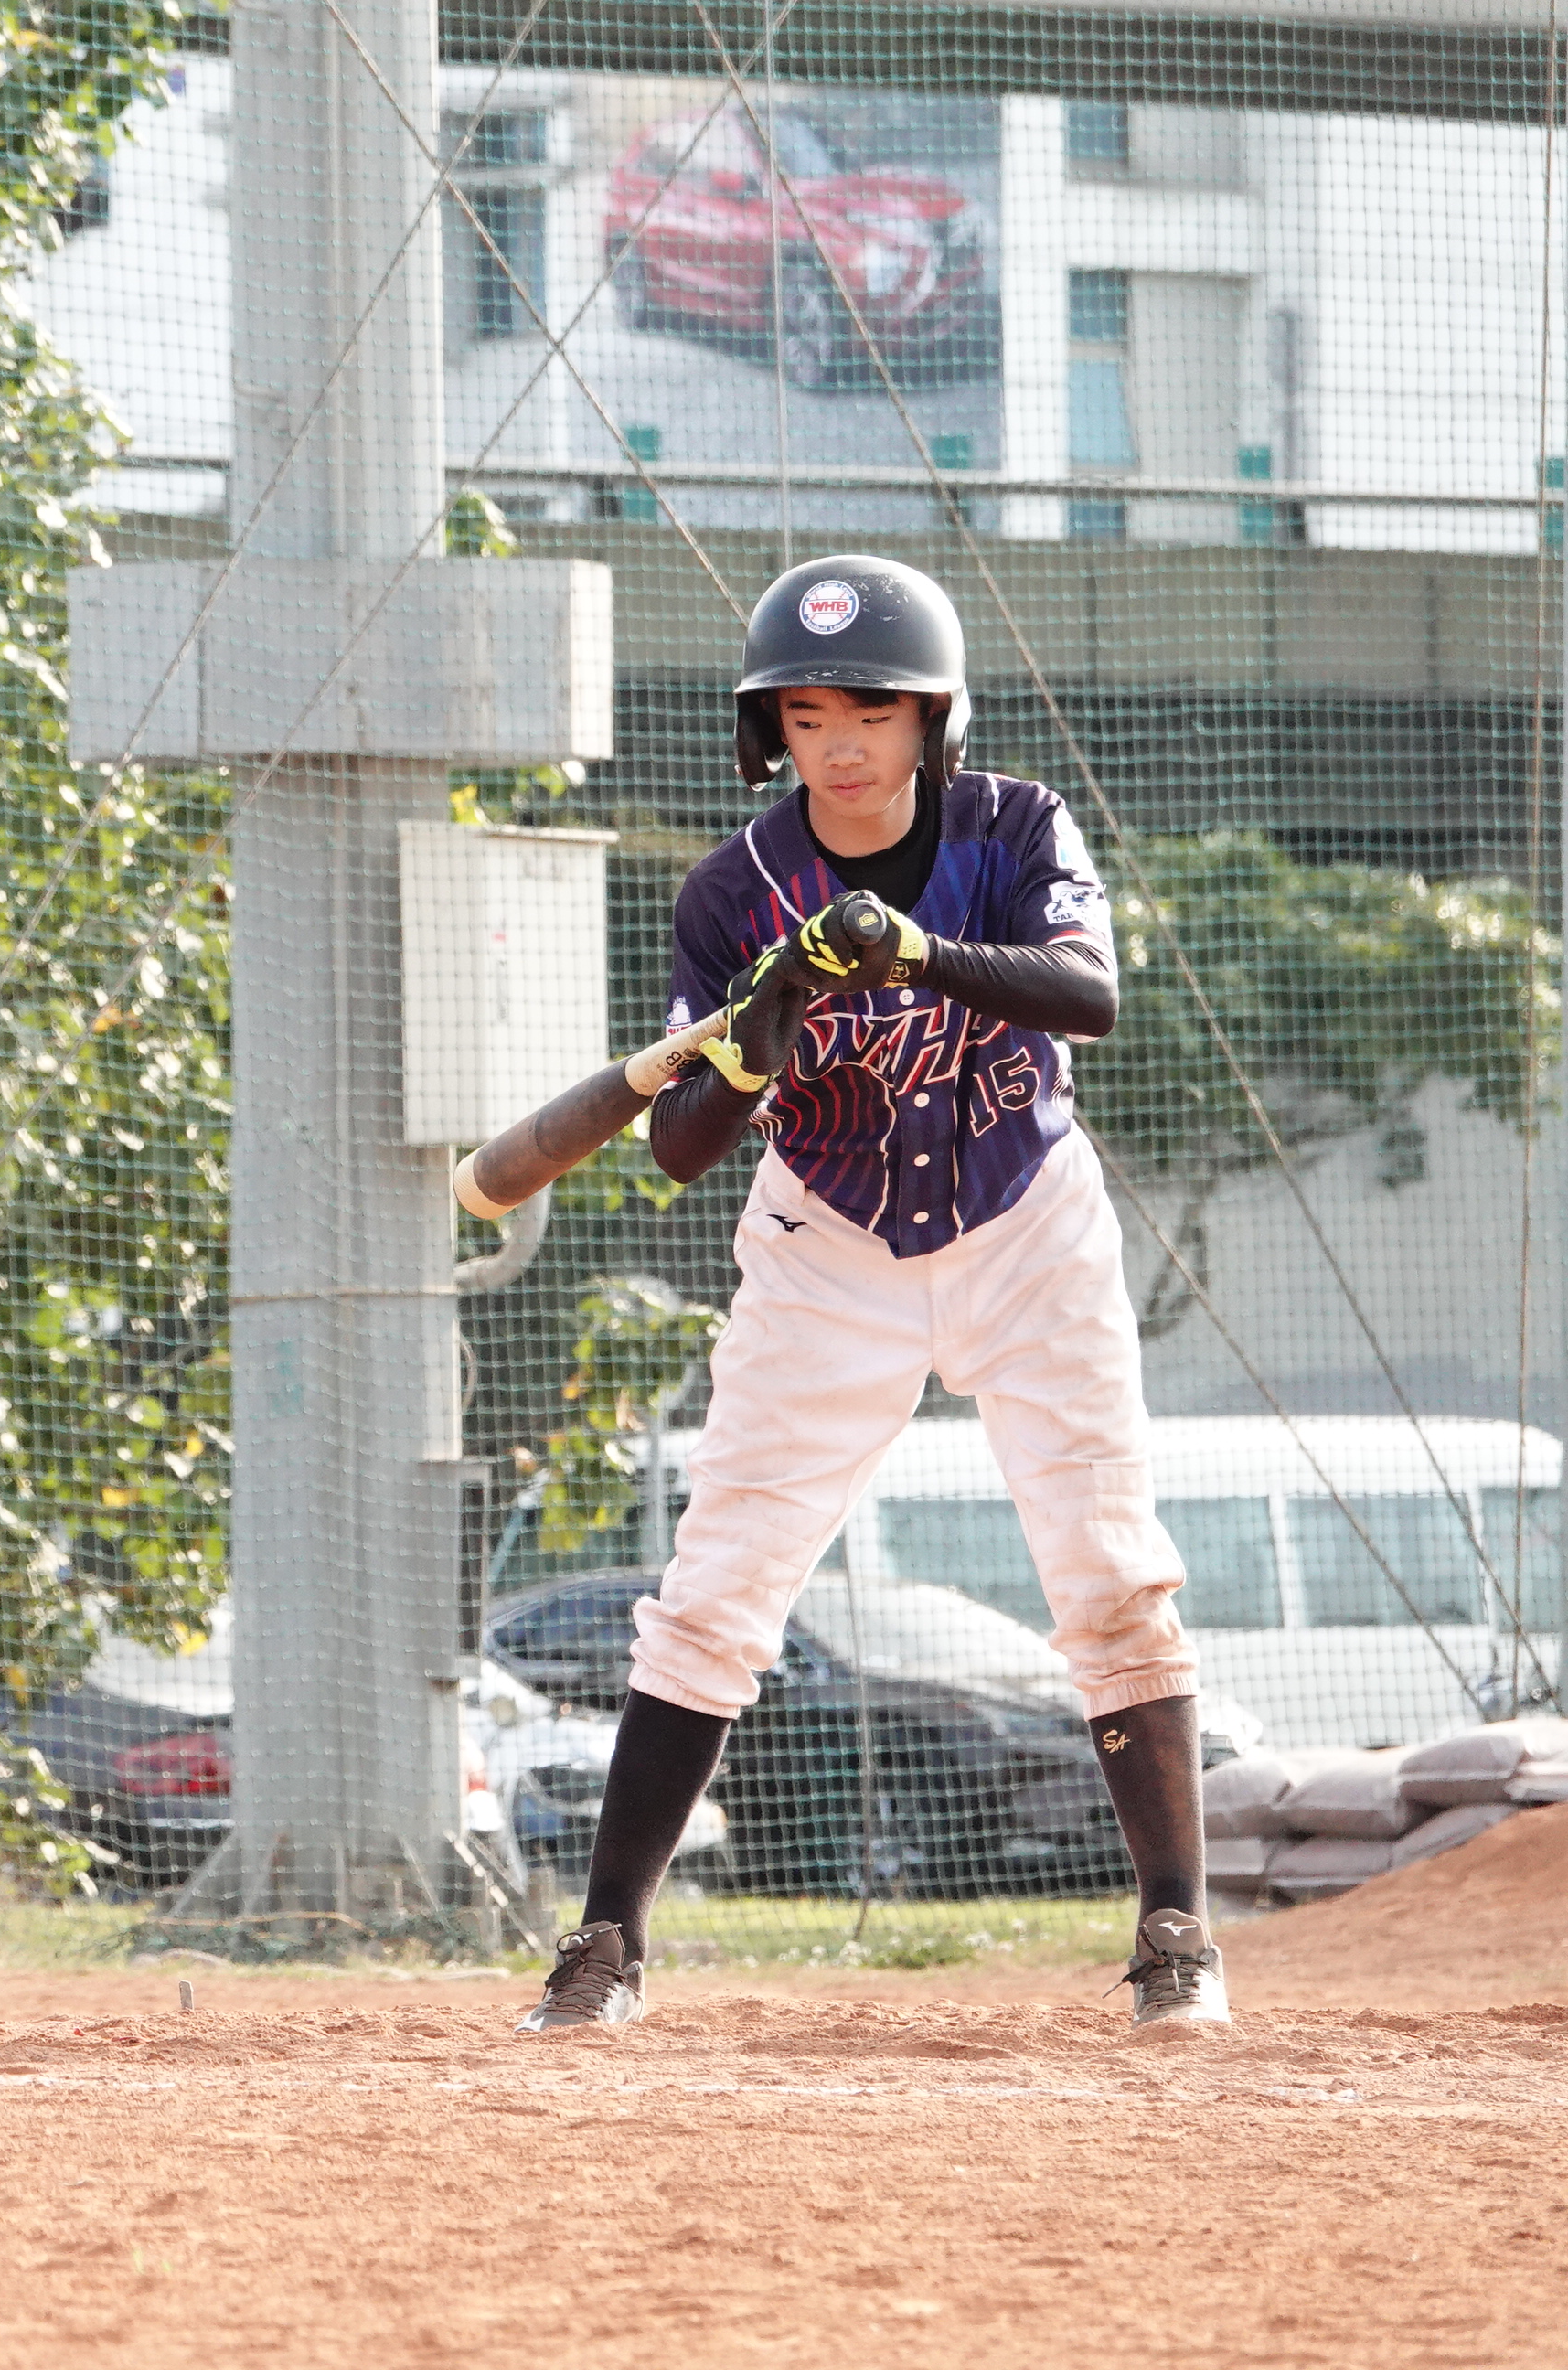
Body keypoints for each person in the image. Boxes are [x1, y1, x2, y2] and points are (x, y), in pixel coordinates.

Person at [519, 555, 1222, 2033]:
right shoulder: (732, 892)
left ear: (931, 719)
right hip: (824, 1248)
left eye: (872, 712)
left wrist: (918, 952)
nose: (838, 743)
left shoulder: (1013, 826)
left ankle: (1177, 1936)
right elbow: (675, 1146)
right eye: (807, 714)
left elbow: (1088, 994)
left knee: (1107, 1568)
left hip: (1026, 1226)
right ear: (768, 729)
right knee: (715, 1588)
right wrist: (751, 1037)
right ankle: (604, 1948)